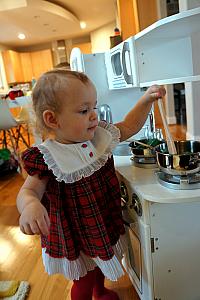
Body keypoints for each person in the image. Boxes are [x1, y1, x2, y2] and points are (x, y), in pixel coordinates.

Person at [16, 69, 166, 300]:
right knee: (83, 280)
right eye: (84, 111)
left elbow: (129, 125)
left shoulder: (99, 136)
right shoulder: (49, 157)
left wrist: (146, 99)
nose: (94, 115)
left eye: (94, 107)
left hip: (101, 222)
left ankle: (101, 291)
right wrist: (29, 206)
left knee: (99, 265)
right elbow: (28, 191)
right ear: (52, 119)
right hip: (75, 235)